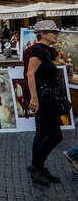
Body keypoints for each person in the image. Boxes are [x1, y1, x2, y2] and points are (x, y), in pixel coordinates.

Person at [24, 20, 63, 187]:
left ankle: (38, 167)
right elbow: (30, 74)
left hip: (43, 96)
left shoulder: (44, 51)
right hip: (41, 97)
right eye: (52, 32)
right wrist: (34, 98)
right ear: (43, 34)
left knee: (41, 133)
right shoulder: (39, 50)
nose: (56, 34)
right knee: (55, 134)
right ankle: (36, 167)